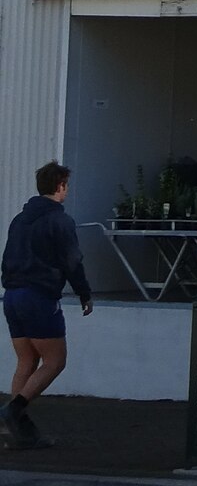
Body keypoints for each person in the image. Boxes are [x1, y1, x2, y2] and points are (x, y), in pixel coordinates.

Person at [1, 162, 92, 449]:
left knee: (26, 361)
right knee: (55, 362)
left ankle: (13, 431)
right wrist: (84, 293)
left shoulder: (19, 219)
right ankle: (13, 411)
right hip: (39, 296)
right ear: (60, 185)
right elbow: (72, 261)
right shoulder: (60, 221)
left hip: (12, 295)